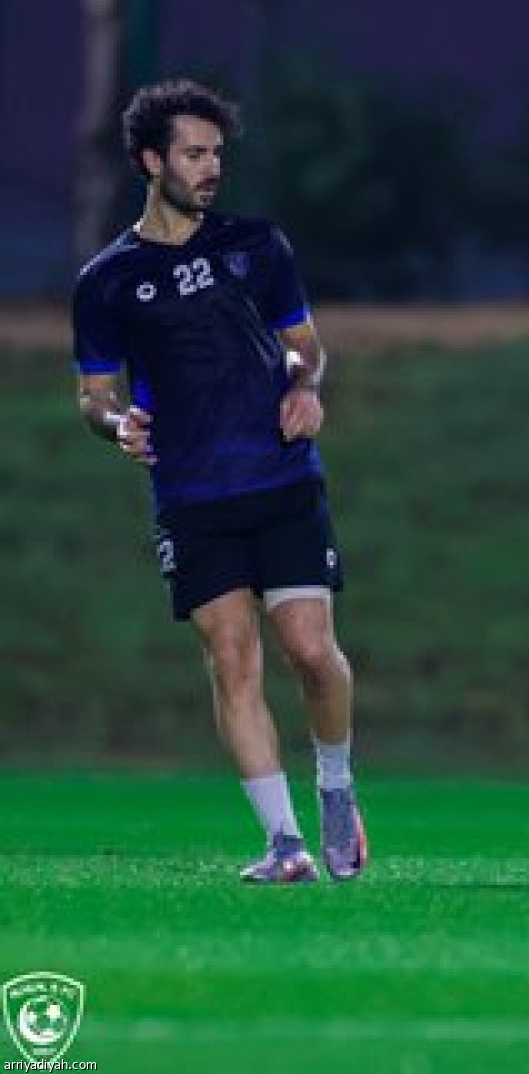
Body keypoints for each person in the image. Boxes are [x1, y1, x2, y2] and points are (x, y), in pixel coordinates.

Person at [71, 78, 368, 884]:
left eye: (217, 155)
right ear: (149, 160)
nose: (210, 169)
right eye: (194, 154)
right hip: (193, 501)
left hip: (278, 481)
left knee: (309, 650)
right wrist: (117, 425)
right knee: (232, 659)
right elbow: (96, 399)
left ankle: (335, 789)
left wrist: (305, 385)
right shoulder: (105, 282)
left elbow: (306, 345)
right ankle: (283, 843)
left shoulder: (257, 247)